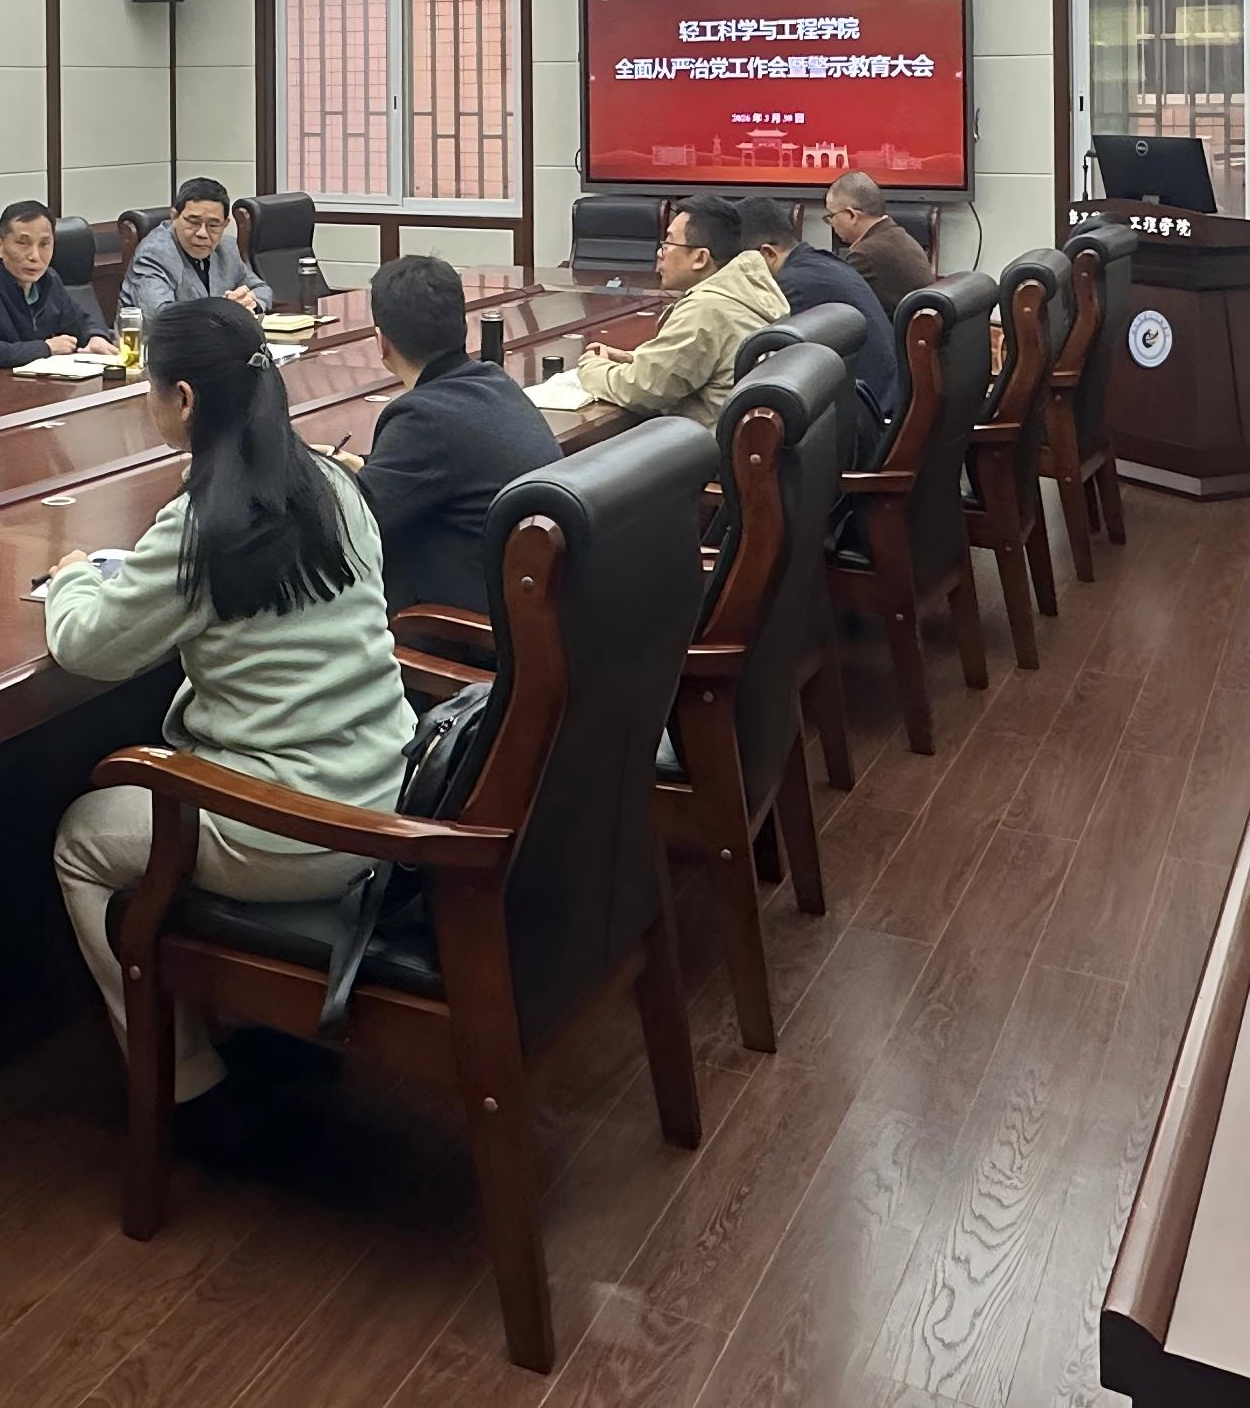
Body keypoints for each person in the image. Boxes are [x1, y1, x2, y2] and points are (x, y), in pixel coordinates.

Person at [48, 297, 420, 1140]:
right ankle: (257, 1029)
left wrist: (71, 574)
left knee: (81, 838)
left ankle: (185, 1086)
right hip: (388, 791)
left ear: (181, 400)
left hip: (289, 829)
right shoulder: (334, 483)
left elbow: (83, 646)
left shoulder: (202, 525)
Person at [347, 253, 563, 619]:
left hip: (460, 627)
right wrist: (361, 466)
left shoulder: (420, 417)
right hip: (528, 606)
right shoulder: (494, 381)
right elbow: (432, 469)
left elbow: (356, 526)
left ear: (381, 342)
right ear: (462, 325)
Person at [573, 194, 789, 425]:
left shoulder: (706, 308)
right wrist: (632, 358)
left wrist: (591, 368)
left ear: (700, 258)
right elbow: (695, 361)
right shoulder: (748, 291)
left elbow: (644, 390)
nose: (660, 253)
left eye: (668, 244)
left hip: (700, 442)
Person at [734, 195, 903, 425]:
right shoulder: (823, 263)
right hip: (884, 403)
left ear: (768, 254)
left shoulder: (790, 287)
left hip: (869, 421)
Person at [0, 198, 105, 370]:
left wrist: (95, 337)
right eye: (23, 243)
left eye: (44, 244)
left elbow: (80, 322)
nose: (34, 256)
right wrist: (46, 348)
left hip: (33, 380)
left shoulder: (49, 280)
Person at [119, 177, 268, 317]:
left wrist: (249, 301)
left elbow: (262, 289)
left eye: (213, 225)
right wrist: (226, 309)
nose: (202, 233)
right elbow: (159, 316)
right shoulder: (154, 253)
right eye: (193, 222)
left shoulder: (226, 248)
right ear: (174, 217)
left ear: (225, 224)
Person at [824, 170, 936, 308]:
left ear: (852, 215)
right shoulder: (899, 236)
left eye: (832, 215)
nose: (831, 222)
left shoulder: (865, 255)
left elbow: (836, 303)